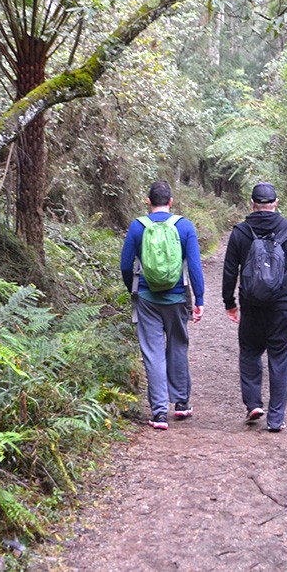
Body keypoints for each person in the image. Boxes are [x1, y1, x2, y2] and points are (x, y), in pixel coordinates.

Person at [221, 182, 287, 432]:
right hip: (284, 308)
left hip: (252, 307)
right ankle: (275, 419)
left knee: (250, 353)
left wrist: (230, 303)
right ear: (276, 203)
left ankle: (253, 403)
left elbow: (230, 270)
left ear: (252, 204)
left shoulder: (240, 232)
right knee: (280, 361)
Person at [120, 180, 206, 430]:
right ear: (170, 202)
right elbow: (195, 267)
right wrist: (198, 299)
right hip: (177, 297)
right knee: (178, 347)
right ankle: (181, 404)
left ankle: (159, 413)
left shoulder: (138, 227)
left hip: (147, 299)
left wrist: (133, 290)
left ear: (148, 201)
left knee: (153, 353)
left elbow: (126, 265)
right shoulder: (184, 226)